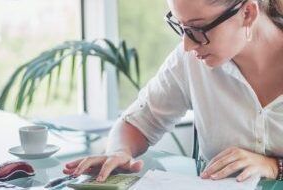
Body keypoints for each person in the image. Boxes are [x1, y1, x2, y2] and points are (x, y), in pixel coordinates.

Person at [63, 0, 283, 183]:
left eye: (197, 29)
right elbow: (137, 122)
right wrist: (119, 151)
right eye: (181, 28)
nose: (187, 45)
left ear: (247, 13)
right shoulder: (189, 61)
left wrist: (274, 166)